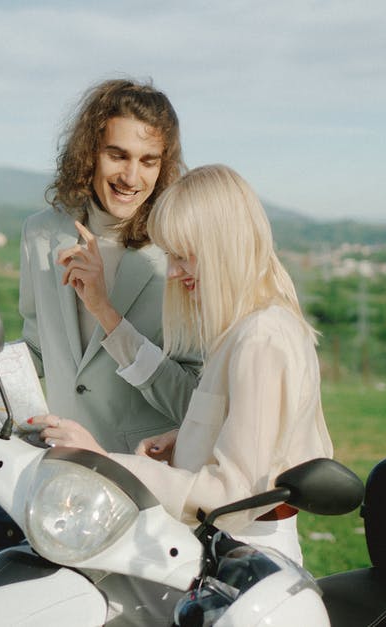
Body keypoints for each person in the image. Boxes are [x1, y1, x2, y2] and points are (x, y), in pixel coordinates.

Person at [30, 164, 334, 565]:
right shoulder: (246, 327)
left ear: (222, 245)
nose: (172, 271)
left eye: (181, 254)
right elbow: (254, 438)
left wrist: (101, 461)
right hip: (224, 548)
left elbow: (234, 496)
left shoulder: (261, 338)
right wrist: (188, 438)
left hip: (244, 557)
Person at [0, 77, 201, 453]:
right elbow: (36, 350)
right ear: (89, 153)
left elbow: (192, 400)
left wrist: (106, 312)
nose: (132, 177)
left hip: (145, 471)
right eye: (117, 155)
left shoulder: (180, 251)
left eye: (148, 161)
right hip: (62, 467)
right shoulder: (40, 232)